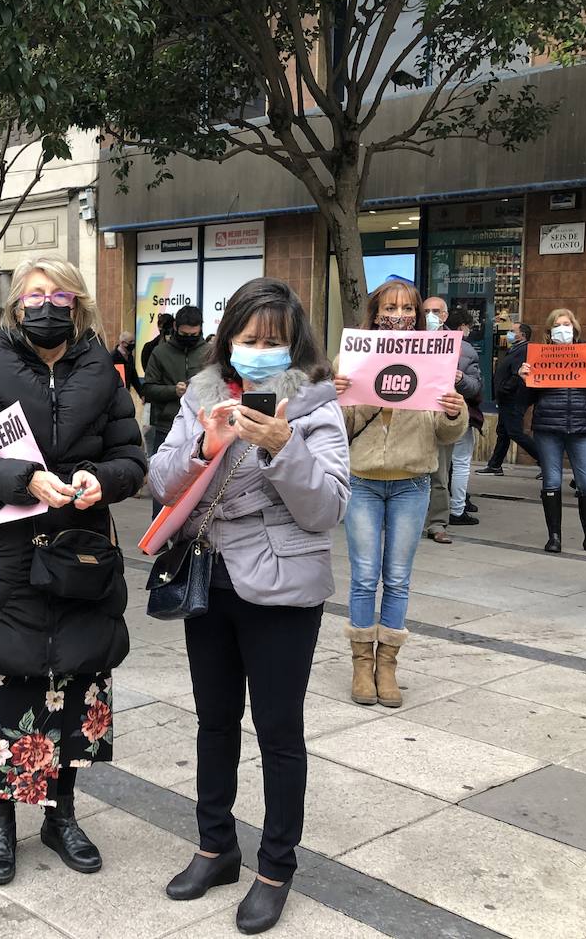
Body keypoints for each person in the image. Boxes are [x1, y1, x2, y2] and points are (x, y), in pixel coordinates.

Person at [0, 256, 145, 887]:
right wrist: (23, 479)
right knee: (2, 686)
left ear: (76, 302)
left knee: (71, 685)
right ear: (19, 303)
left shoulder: (101, 372)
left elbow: (131, 459)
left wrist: (96, 480)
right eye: (34, 293)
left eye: (58, 293)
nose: (45, 303)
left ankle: (61, 816)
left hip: (77, 556)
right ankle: (0, 823)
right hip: (2, 556)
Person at [149, 278, 348, 933]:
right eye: (248, 337)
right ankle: (216, 846)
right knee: (214, 719)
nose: (258, 350)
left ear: (294, 345)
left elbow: (326, 509)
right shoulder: (206, 392)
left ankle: (274, 868)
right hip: (210, 576)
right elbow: (160, 478)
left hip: (284, 589)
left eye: (273, 341)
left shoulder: (316, 403)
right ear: (227, 337)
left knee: (279, 733)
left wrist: (282, 448)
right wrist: (202, 446)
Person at [337, 280, 466, 708]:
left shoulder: (436, 360)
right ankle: (360, 663)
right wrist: (335, 398)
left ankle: (387, 664)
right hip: (364, 480)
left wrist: (454, 410)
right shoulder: (353, 356)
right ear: (376, 313)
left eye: (408, 308)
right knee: (363, 574)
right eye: (391, 307)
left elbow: (446, 432)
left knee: (396, 577)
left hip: (412, 481)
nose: (401, 314)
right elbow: (339, 427)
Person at [516, 308, 586, 556]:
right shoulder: (539, 357)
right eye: (557, 325)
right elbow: (524, 400)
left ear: (574, 328)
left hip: (581, 427)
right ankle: (554, 537)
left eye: (566, 324)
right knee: (551, 480)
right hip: (548, 427)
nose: (562, 329)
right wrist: (524, 379)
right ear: (549, 332)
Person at [421, 297, 481, 544]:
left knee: (440, 475)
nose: (431, 315)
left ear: (445, 316)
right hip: (411, 417)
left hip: (441, 416)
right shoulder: (405, 340)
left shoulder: (463, 349)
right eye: (426, 311)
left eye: (436, 311)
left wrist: (461, 380)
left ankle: (437, 523)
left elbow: (476, 386)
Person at [143, 305, 207, 517]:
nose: (189, 337)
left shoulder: (209, 353)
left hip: (200, 427)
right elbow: (148, 389)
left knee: (197, 483)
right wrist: (174, 390)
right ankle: (158, 530)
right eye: (184, 334)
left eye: (194, 334)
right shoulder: (160, 353)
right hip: (166, 425)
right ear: (176, 328)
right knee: (163, 479)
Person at [477, 324, 538, 475]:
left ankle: (546, 461)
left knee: (515, 432)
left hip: (514, 398)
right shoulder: (516, 349)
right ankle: (495, 465)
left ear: (522, 335)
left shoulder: (524, 350)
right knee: (503, 432)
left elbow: (518, 374)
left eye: (512, 331)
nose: (509, 333)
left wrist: (505, 389)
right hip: (507, 398)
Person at [443, 308, 483, 527]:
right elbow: (476, 386)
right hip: (458, 412)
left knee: (439, 466)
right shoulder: (466, 348)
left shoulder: (419, 341)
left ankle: (434, 511)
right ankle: (457, 509)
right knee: (460, 463)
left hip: (431, 413)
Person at [112, 330, 140, 394]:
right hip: (116, 393)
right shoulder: (113, 357)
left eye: (134, 341)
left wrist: (141, 393)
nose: (133, 344)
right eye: (131, 342)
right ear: (123, 343)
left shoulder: (130, 357)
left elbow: (133, 376)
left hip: (126, 392)